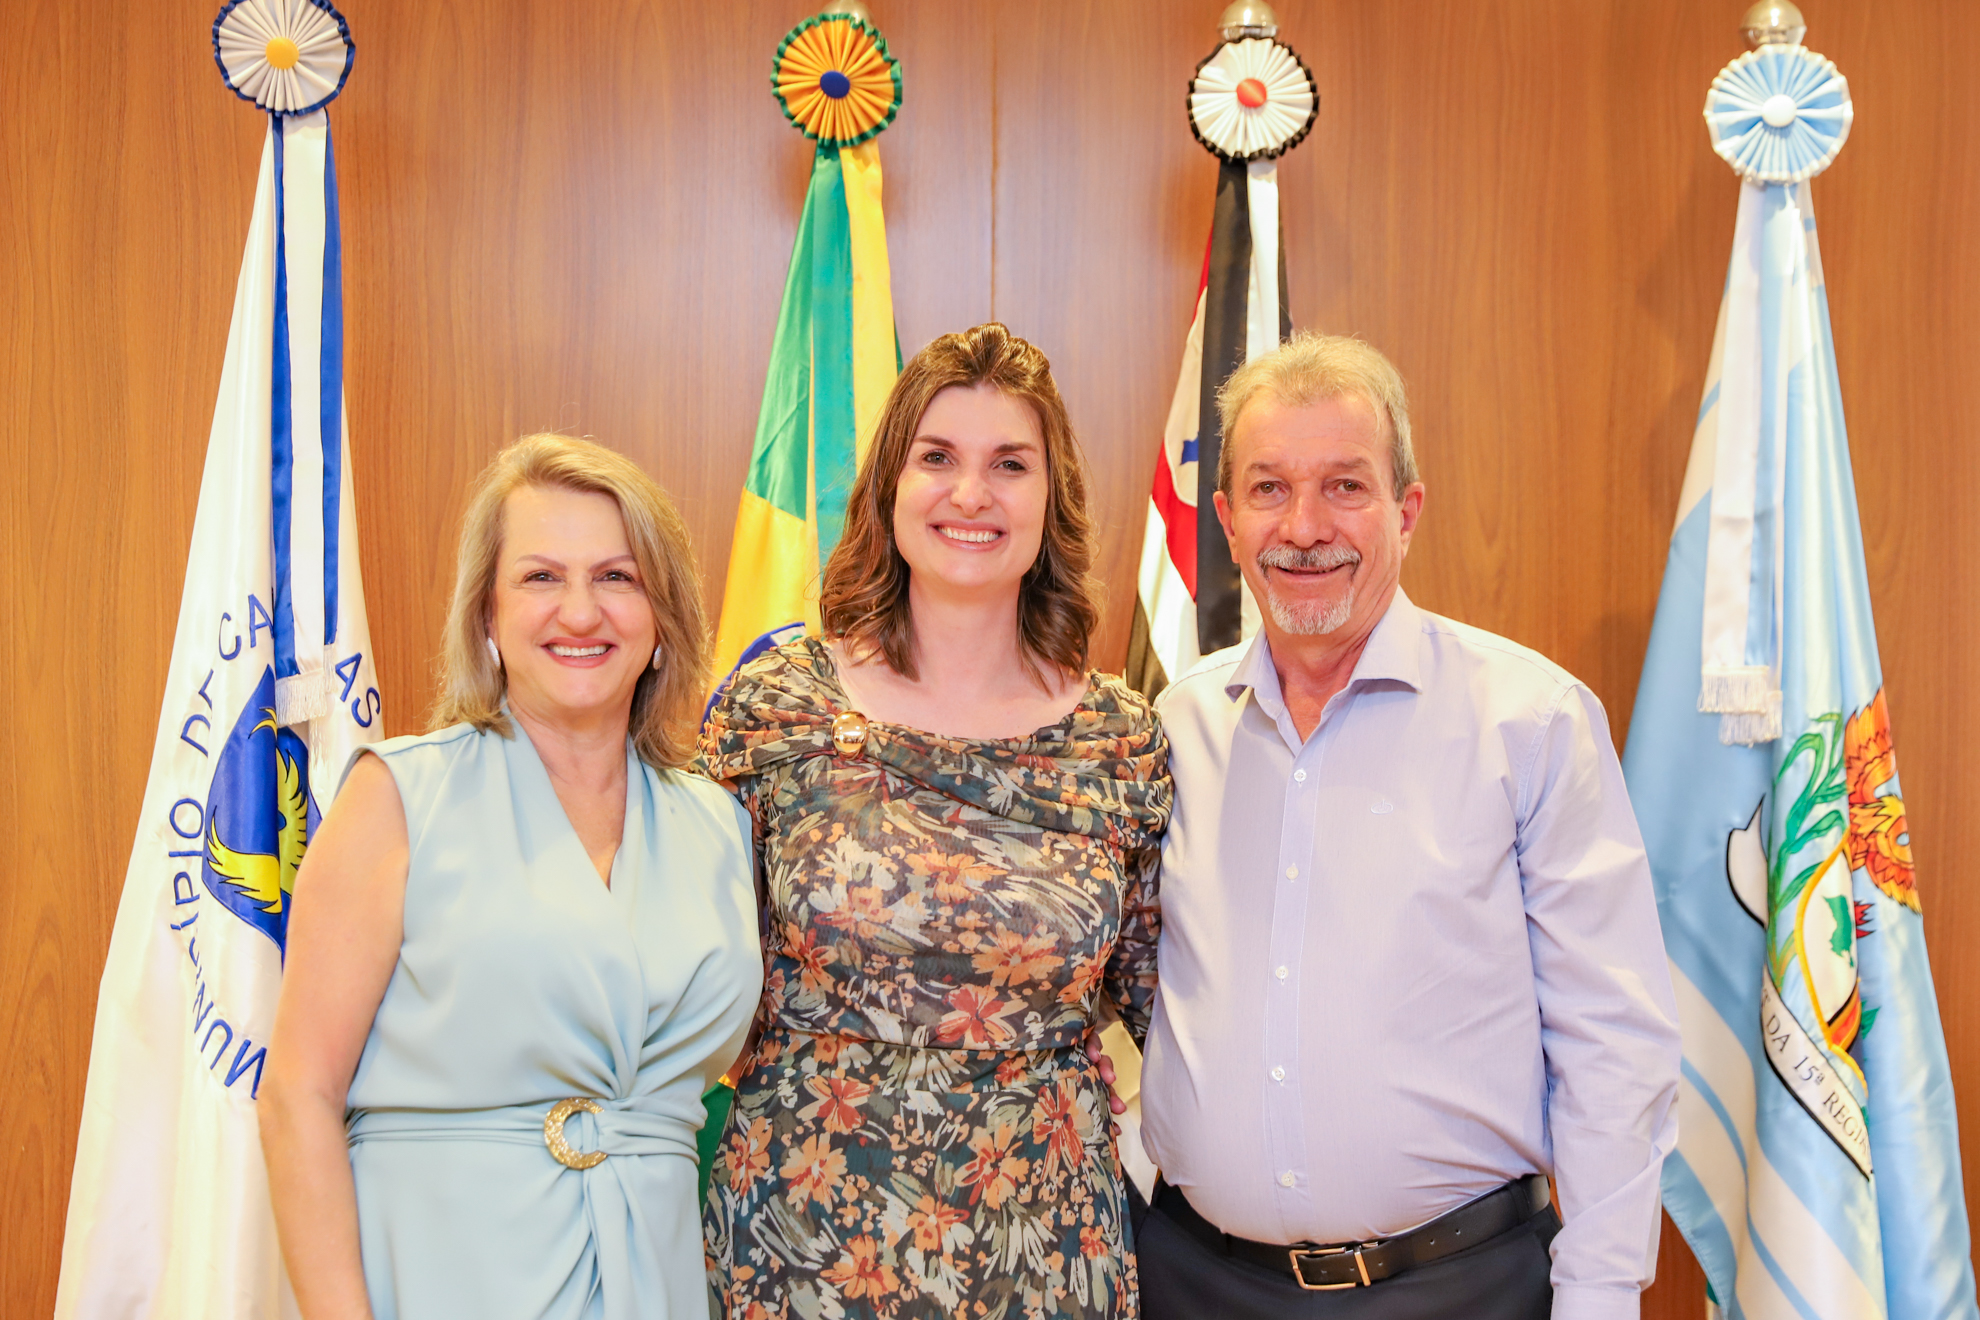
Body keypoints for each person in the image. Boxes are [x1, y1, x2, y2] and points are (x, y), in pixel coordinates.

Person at [1136, 334, 1681, 1320]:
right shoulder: (1172, 730)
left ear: (1407, 510)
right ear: (1224, 518)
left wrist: (1600, 1299)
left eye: (1345, 486)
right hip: (1191, 1284)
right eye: (1268, 489)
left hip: (1457, 1291)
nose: (1305, 527)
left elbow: (1613, 1043)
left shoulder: (1532, 721)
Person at [700, 323, 1171, 1320]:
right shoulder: (777, 704)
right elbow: (683, 966)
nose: (971, 494)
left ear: (1053, 497)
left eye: (1010, 464)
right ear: (889, 486)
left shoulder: (1119, 740)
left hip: (1045, 1240)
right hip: (804, 1227)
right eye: (938, 458)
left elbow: (1171, 1012)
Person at [260, 435, 762, 1320]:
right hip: (442, 1273)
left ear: (660, 621)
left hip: (661, 1281)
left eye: (617, 577)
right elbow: (297, 1094)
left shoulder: (718, 824)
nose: (581, 612)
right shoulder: (398, 797)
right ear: (486, 616)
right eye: (540, 578)